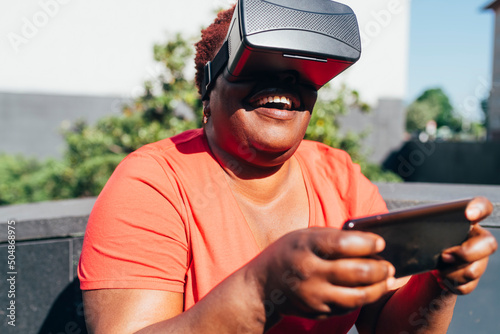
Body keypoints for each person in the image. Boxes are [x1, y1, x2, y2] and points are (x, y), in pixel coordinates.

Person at [78, 5, 497, 334]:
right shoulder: (153, 182)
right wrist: (261, 291)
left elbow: (386, 326)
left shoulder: (340, 177)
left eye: (305, 76)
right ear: (209, 87)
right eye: (258, 68)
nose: (286, 86)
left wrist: (438, 284)